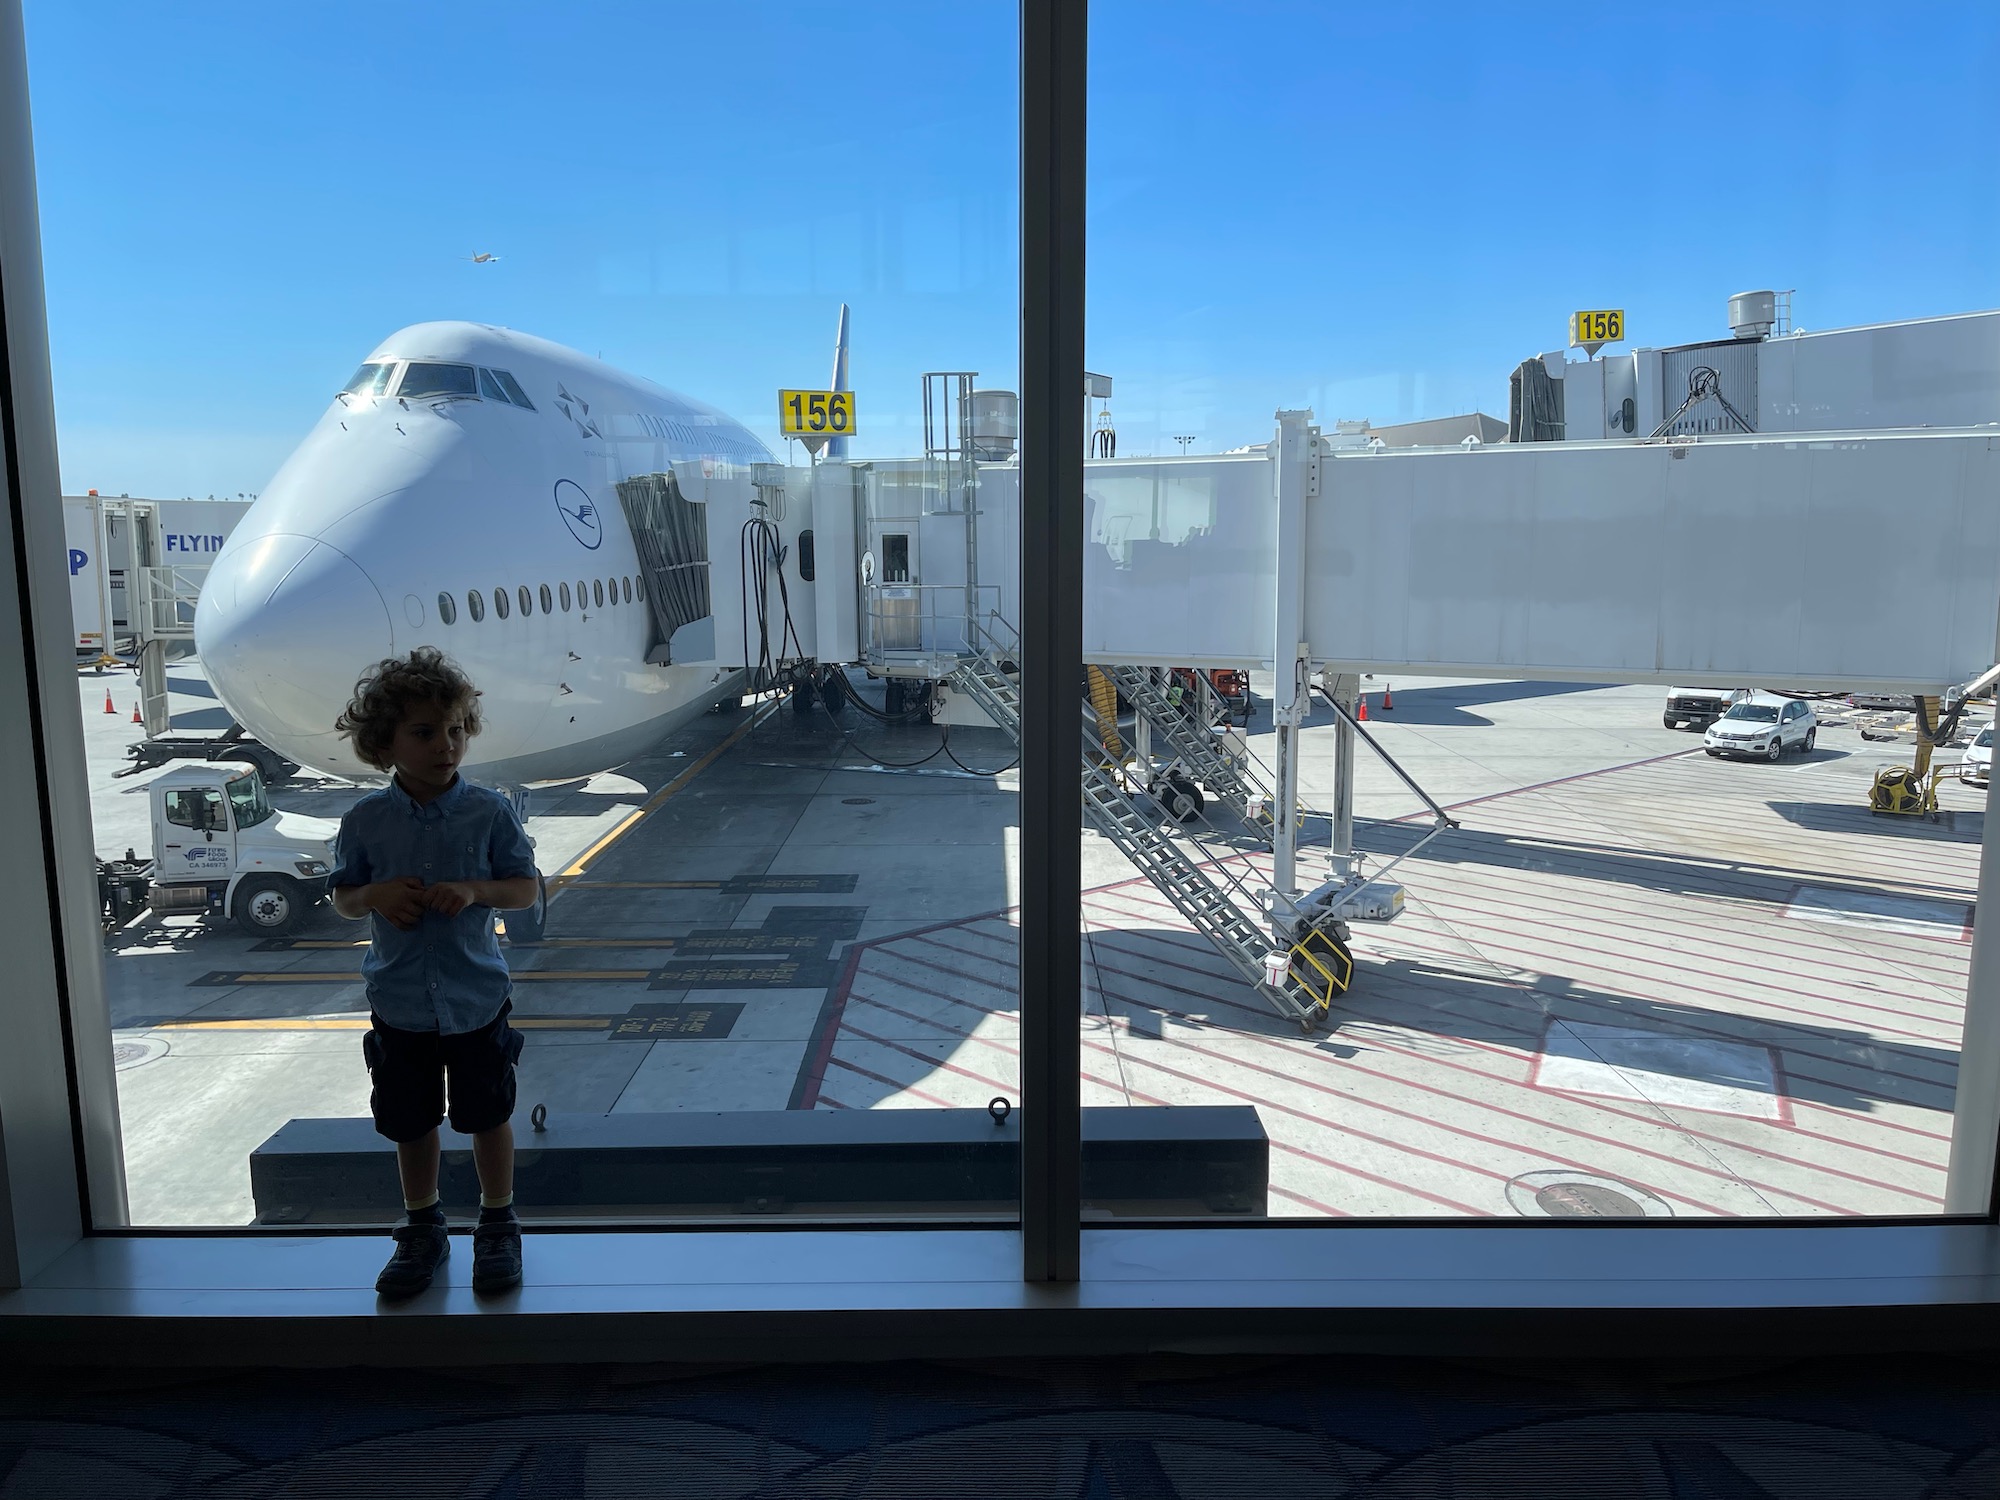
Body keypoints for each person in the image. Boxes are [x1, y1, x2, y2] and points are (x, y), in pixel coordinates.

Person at [328, 648, 541, 1298]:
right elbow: (343, 895)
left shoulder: (490, 811)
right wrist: (374, 897)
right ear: (383, 743)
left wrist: (476, 890)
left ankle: (498, 1220)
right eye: (424, 733)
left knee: (486, 1116)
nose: (446, 745)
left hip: (475, 999)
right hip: (400, 1004)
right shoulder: (365, 821)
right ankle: (423, 1224)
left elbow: (525, 888)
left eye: (454, 730)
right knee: (411, 1121)